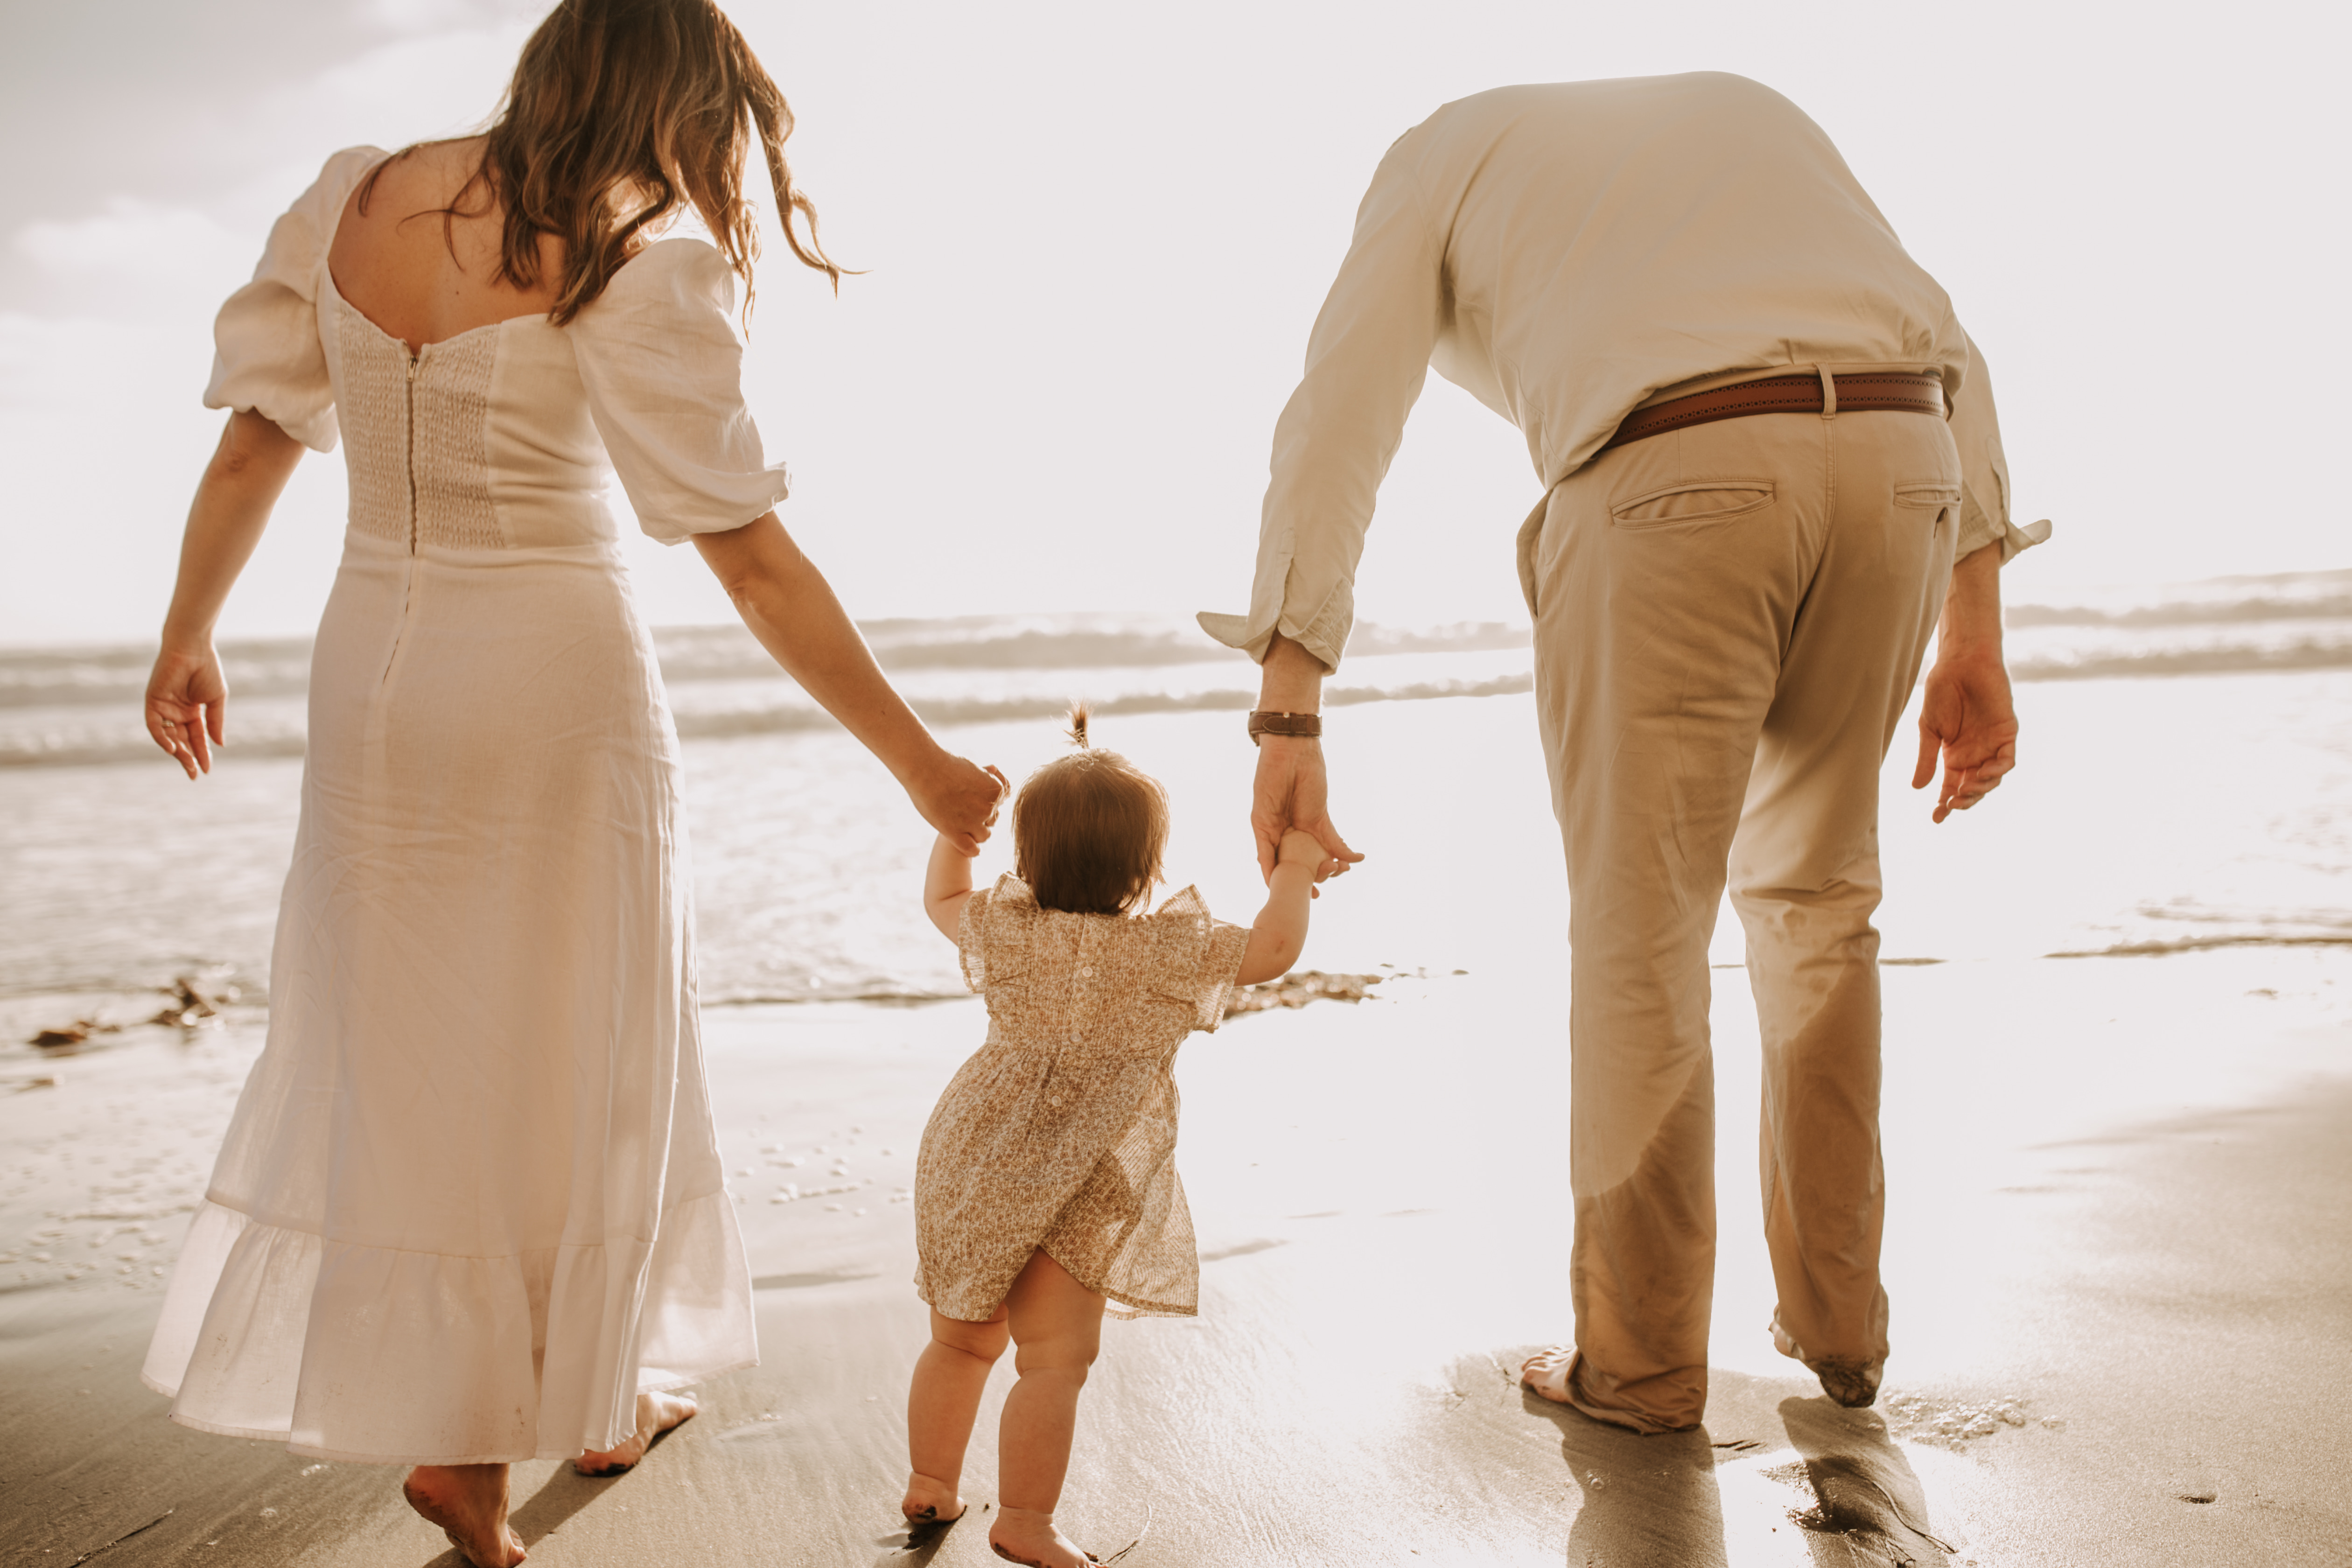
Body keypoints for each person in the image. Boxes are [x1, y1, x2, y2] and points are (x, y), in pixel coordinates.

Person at [136, 3, 1002, 1562]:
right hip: (549, 679)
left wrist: (187, 632)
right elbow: (750, 559)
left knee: (415, 1045)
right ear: (673, 99)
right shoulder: (628, 237)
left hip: (370, 678)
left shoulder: (353, 192)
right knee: (582, 1038)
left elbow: (261, 434)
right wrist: (922, 765)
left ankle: (539, 1413)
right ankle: (519, 1429)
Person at [1201, 72, 2050, 1437]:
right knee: (1823, 904)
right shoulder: (1749, 112)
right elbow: (1948, 335)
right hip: (1903, 459)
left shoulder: (1428, 163)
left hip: (1674, 474)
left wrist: (1288, 701)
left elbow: (1339, 421)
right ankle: (1843, 1329)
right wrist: (1977, 620)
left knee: (1645, 933)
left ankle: (1641, 1365)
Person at [897, 708, 1322, 1568]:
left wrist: (955, 831)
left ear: (1028, 859)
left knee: (959, 1339)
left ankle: (931, 1483)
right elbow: (1275, 949)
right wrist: (1297, 867)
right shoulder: (1167, 953)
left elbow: (942, 897)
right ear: (1146, 868)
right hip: (1082, 1174)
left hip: (972, 1152)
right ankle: (1024, 1519)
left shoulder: (1004, 926)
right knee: (1051, 1361)